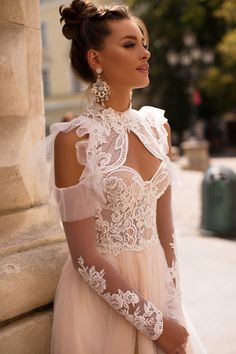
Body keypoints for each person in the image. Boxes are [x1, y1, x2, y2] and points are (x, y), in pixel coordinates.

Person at [48, 1, 207, 353]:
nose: (145, 53)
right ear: (96, 59)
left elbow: (166, 231)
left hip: (158, 291)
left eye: (143, 43)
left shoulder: (157, 127)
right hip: (100, 303)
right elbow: (84, 257)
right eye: (129, 44)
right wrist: (154, 324)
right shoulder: (74, 141)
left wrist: (171, 306)